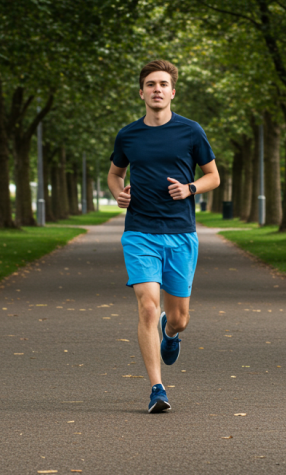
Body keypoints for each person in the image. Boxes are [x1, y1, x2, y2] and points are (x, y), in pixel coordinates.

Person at [107, 60, 220, 413]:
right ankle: (157, 388)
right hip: (140, 232)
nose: (157, 89)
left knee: (178, 318)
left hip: (181, 234)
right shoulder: (128, 135)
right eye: (151, 84)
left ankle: (169, 334)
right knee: (147, 306)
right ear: (141, 92)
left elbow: (213, 176)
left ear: (173, 91)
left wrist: (190, 188)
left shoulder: (191, 131)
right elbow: (114, 174)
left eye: (163, 84)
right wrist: (118, 194)